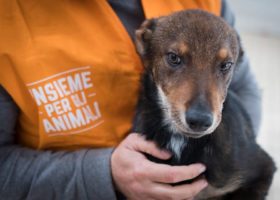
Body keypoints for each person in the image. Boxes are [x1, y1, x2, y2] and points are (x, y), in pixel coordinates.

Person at [0, 0, 261, 199]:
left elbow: (243, 85)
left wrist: (227, 159)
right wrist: (102, 175)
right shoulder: (8, 21)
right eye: (175, 59)